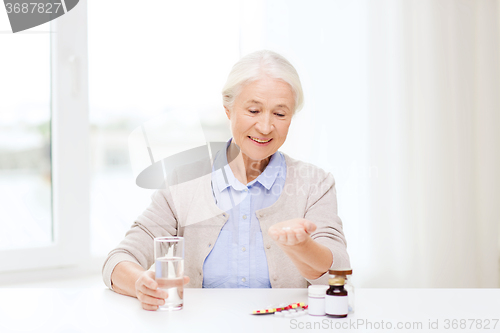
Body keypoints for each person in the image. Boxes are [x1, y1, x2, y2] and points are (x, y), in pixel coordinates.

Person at [102, 50, 350, 311]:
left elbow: (340, 268)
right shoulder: (183, 181)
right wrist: (140, 284)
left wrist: (303, 246)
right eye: (253, 110)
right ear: (228, 109)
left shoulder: (315, 184)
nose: (265, 127)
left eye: (280, 114)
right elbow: (119, 260)